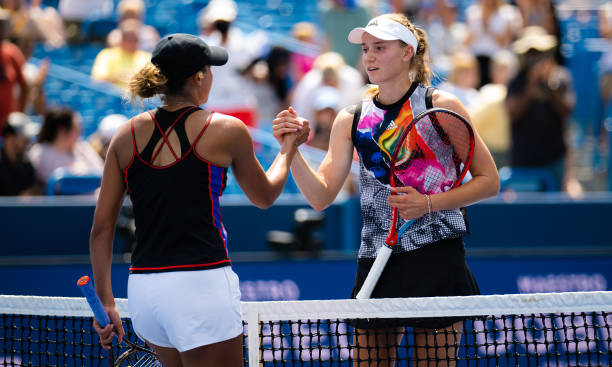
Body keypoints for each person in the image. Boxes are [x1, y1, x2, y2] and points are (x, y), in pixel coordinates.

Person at [273, 13, 499, 365]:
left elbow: (489, 181)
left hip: (436, 257)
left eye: (379, 48)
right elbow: (320, 197)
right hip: (376, 260)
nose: (369, 57)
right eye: (365, 49)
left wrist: (428, 203)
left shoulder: (442, 106)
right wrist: (293, 149)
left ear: (407, 51)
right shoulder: (351, 117)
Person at [89, 33, 308, 367]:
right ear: (198, 77)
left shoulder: (125, 135)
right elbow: (265, 196)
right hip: (200, 284)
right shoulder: (226, 129)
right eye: (210, 68)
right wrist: (289, 148)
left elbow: (101, 229)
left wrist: (107, 302)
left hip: (145, 293)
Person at [505, 26, 576, 192]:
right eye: (530, 53)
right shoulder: (516, 81)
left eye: (539, 52)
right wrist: (530, 88)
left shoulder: (560, 77)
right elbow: (512, 114)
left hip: (555, 159)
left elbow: (566, 111)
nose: (535, 58)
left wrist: (550, 87)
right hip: (524, 160)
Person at [27, 107, 104, 186]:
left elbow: (102, 172)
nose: (81, 132)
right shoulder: (40, 152)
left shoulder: (83, 147)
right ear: (62, 131)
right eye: (76, 128)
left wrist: (85, 171)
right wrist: (73, 173)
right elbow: (53, 185)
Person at [91, 19, 151, 89]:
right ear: (122, 40)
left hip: (140, 97)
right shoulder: (107, 55)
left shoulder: (147, 57)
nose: (133, 43)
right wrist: (119, 76)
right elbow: (96, 80)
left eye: (136, 40)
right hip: (113, 97)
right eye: (130, 39)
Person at [0, 112, 39, 195]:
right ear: (9, 138)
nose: (28, 142)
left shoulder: (27, 165)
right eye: (24, 138)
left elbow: (32, 190)